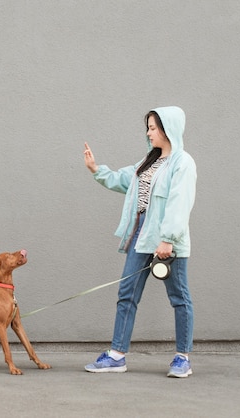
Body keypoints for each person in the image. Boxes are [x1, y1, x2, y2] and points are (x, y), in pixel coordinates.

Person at [82, 106, 197, 378]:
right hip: (141, 234)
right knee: (126, 294)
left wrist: (168, 239)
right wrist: (96, 169)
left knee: (179, 297)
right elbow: (125, 180)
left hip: (168, 239)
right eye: (148, 127)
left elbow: (180, 203)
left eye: (153, 127)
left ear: (168, 129)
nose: (149, 132)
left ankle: (183, 358)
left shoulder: (183, 162)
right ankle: (117, 355)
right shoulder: (150, 160)